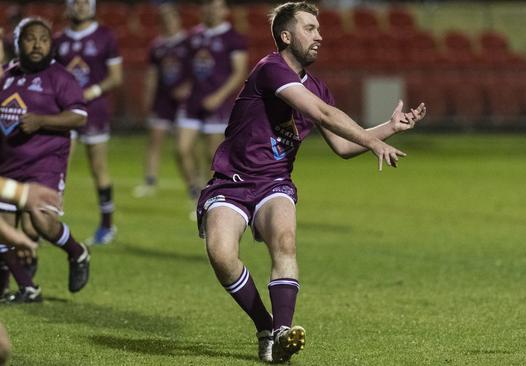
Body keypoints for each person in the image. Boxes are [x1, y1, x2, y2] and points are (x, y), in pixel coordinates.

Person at [196, 2, 426, 363]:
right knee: (221, 255)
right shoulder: (270, 69)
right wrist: (374, 142)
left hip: (274, 183)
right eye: (309, 28)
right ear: (286, 36)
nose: (319, 36)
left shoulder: (316, 86)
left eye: (319, 29)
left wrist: (388, 129)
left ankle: (284, 334)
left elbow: (343, 146)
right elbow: (322, 114)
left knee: (284, 241)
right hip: (232, 181)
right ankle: (265, 325)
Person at [0, 17, 91, 303]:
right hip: (7, 166)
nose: (37, 44)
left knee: (39, 223)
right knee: (2, 229)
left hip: (44, 164)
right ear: (17, 43)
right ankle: (27, 288)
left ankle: (77, 252)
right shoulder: (6, 74)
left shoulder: (60, 77)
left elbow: (80, 116)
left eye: (44, 38)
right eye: (30, 38)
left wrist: (41, 121)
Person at [54, 0, 122, 244]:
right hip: (65, 112)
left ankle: (106, 225)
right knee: (57, 168)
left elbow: (116, 78)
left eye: (85, 1)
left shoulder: (105, 36)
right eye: (75, 1)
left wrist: (90, 93)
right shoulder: (59, 40)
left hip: (95, 111)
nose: (80, 6)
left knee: (98, 168)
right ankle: (47, 222)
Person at [177, 0, 248, 218]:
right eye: (208, 6)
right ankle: (196, 190)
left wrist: (218, 96)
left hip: (218, 103)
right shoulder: (194, 36)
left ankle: (211, 202)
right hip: (193, 102)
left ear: (225, 11)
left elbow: (239, 71)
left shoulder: (233, 38)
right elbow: (190, 68)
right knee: (181, 150)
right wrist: (185, 86)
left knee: (213, 155)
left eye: (217, 6)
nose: (211, 10)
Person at [132, 3, 188, 198]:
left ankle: (195, 183)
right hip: (162, 100)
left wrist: (188, 87)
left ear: (178, 19)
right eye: (164, 19)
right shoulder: (157, 45)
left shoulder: (188, 42)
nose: (168, 22)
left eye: (171, 18)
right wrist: (148, 98)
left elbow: (197, 71)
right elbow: (152, 74)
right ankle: (150, 181)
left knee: (186, 147)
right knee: (155, 141)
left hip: (184, 102)